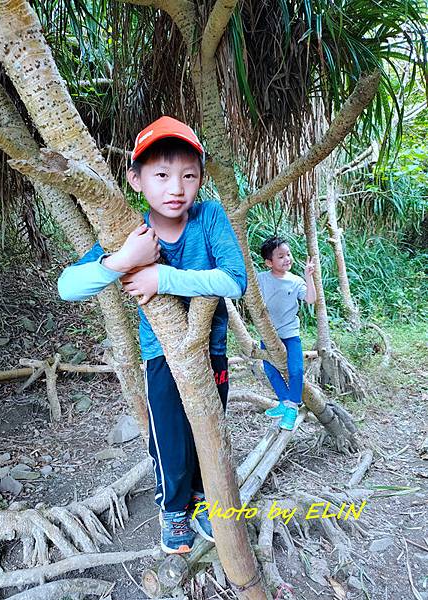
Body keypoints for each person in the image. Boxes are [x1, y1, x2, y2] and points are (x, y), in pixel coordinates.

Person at [57, 116, 247, 554]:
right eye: (161, 175)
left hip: (209, 350)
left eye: (188, 175)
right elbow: (68, 287)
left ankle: (205, 502)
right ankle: (173, 510)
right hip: (159, 353)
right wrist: (123, 259)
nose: (175, 187)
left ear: (201, 178)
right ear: (136, 179)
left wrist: (164, 278)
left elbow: (234, 280)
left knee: (210, 425)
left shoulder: (209, 217)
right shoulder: (131, 230)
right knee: (169, 434)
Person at [257, 237, 316, 431]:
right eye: (280, 256)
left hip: (290, 333)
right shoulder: (261, 278)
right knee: (270, 369)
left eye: (288, 254)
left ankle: (292, 407)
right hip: (269, 334)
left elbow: (310, 299)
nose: (287, 259)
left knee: (296, 369)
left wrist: (308, 275)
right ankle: (284, 401)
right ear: (268, 262)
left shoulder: (296, 281)